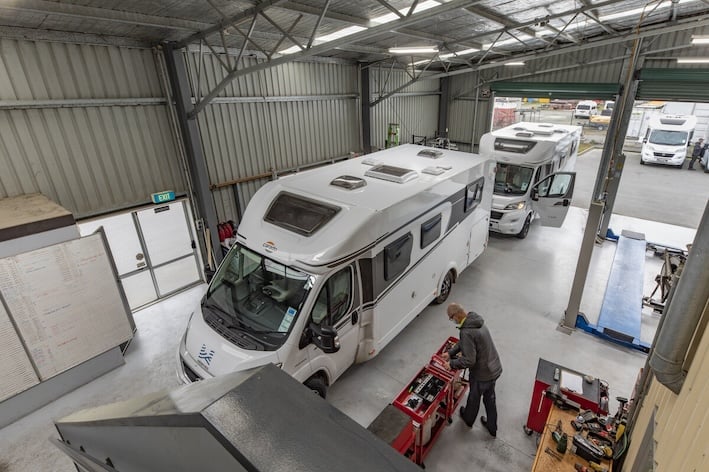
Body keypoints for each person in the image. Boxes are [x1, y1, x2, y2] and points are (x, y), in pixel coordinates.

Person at [442, 303, 503, 437]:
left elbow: (469, 360)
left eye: (451, 318)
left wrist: (451, 364)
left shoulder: (466, 331)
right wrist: (451, 353)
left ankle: (468, 419)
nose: (452, 321)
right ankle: (492, 427)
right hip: (494, 368)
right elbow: (464, 342)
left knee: (474, 398)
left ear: (457, 315)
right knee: (490, 399)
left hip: (482, 374)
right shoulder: (475, 321)